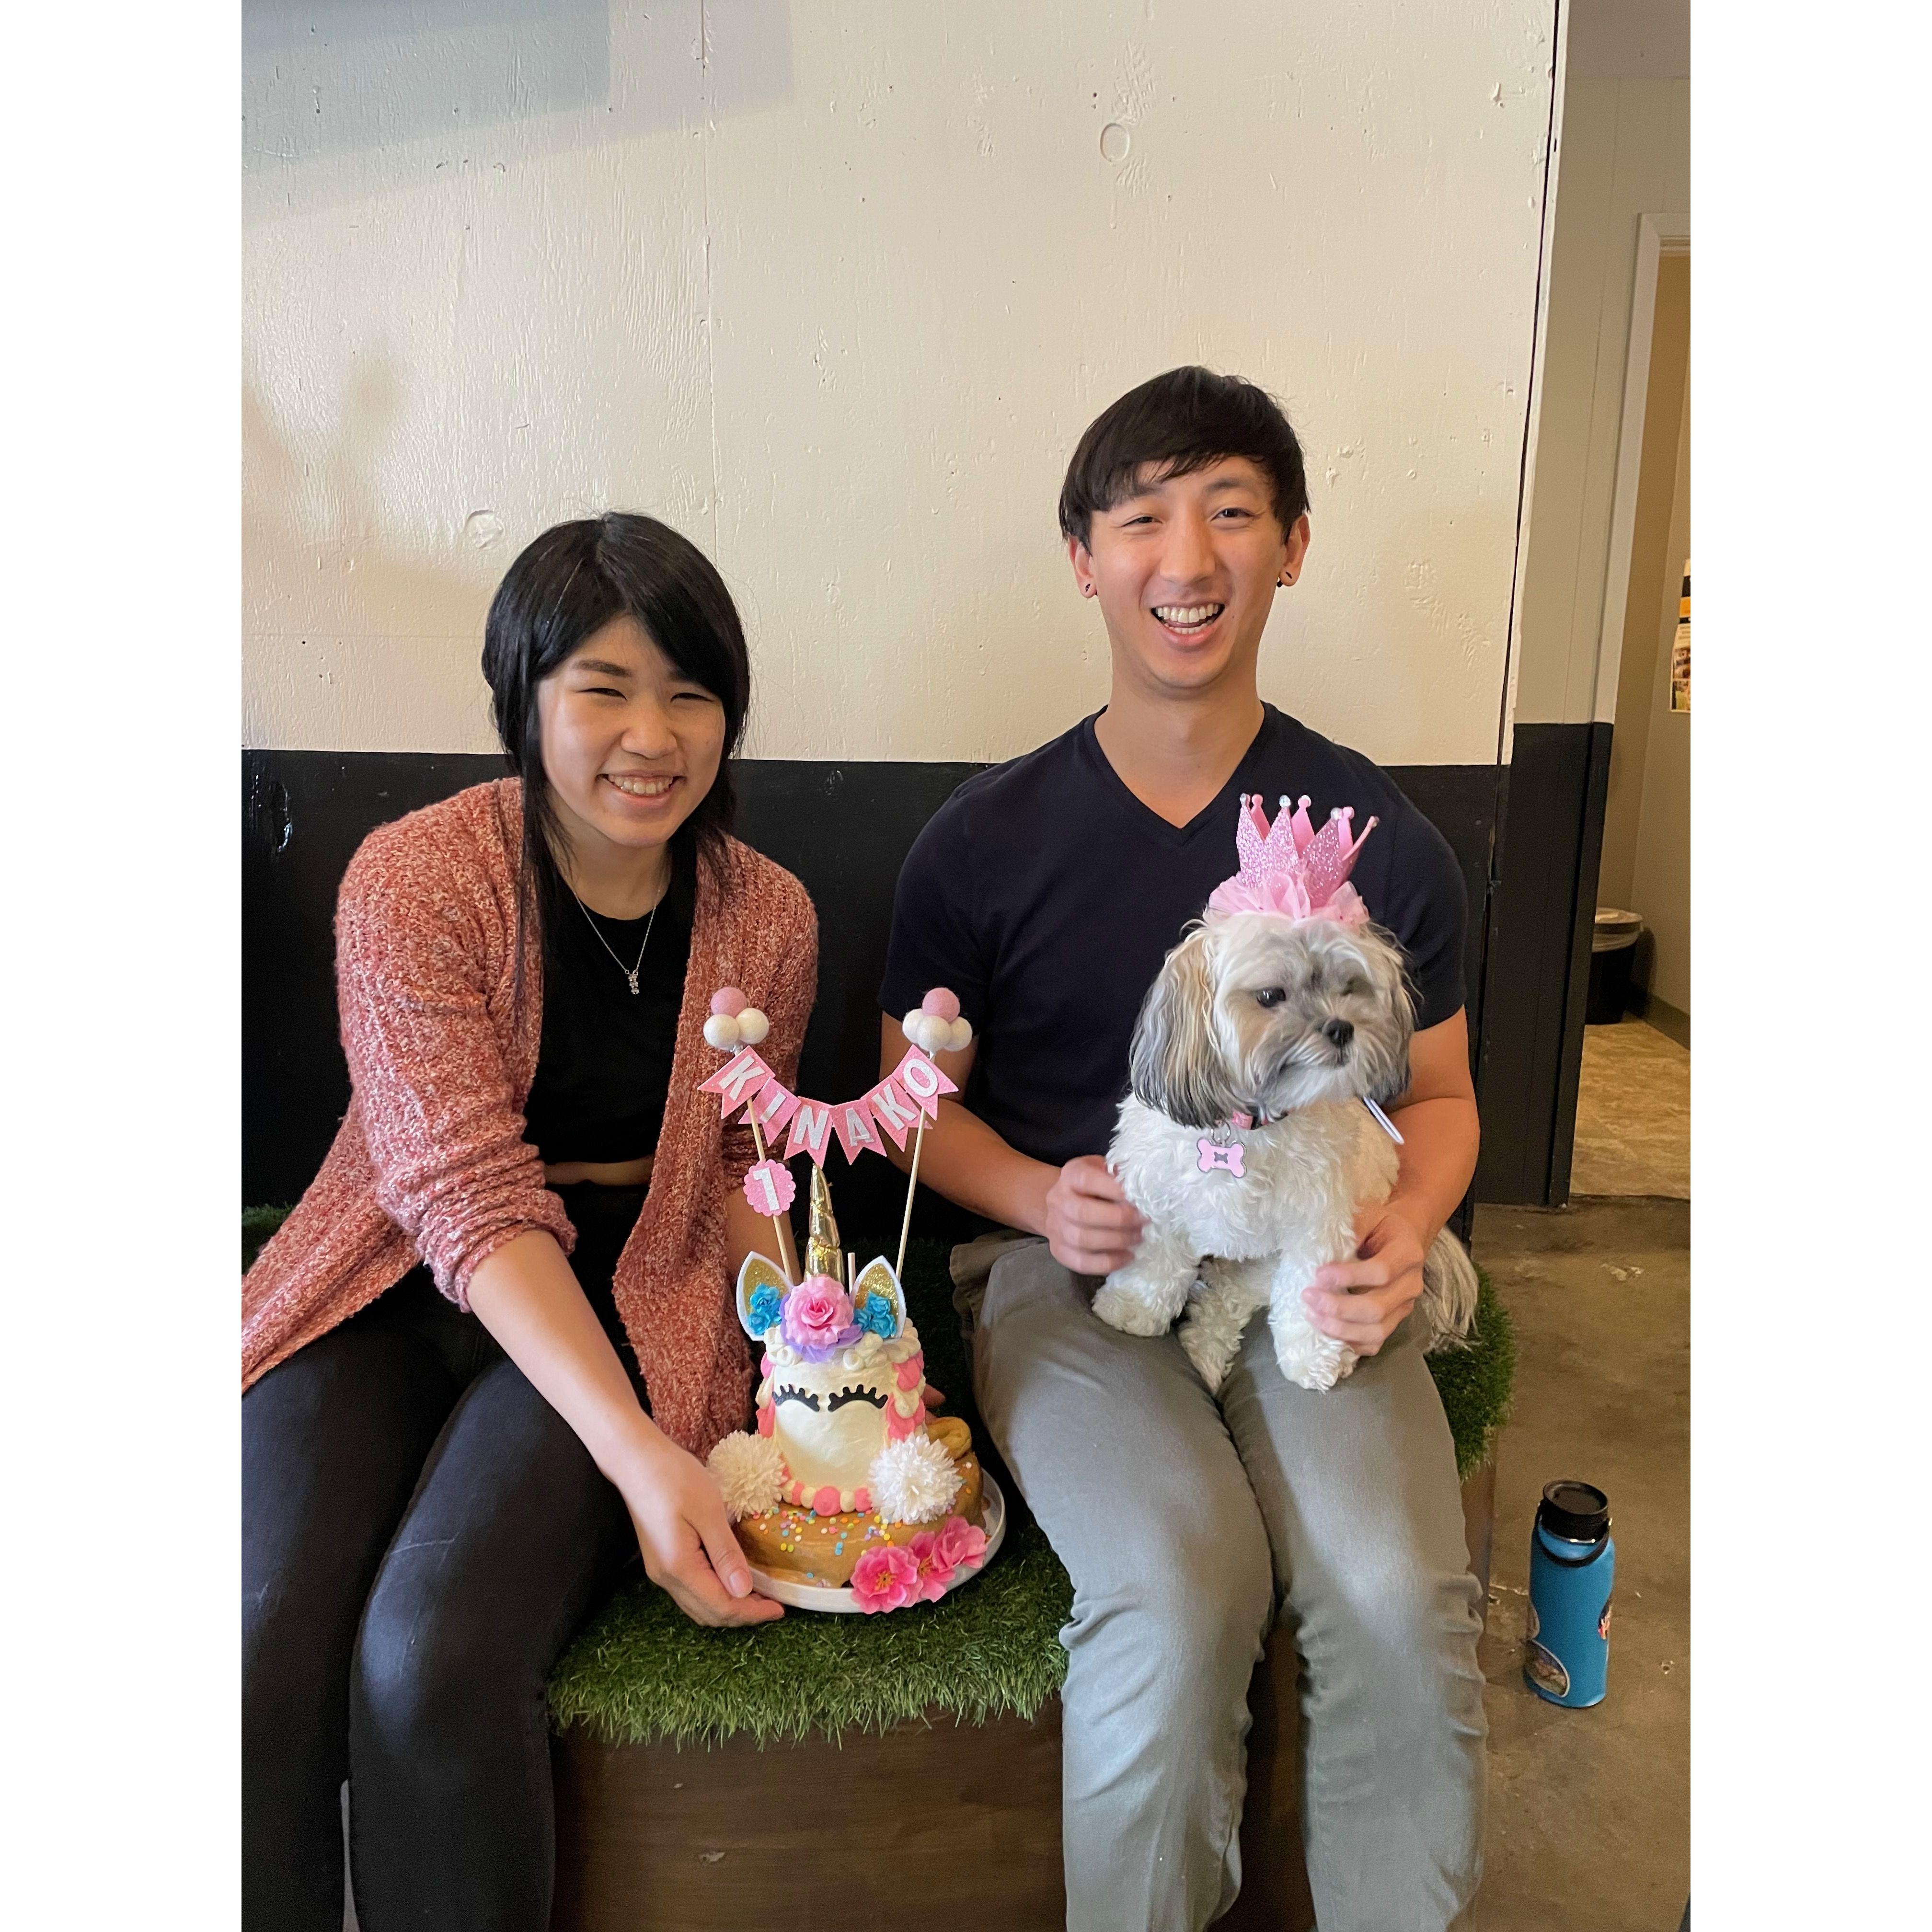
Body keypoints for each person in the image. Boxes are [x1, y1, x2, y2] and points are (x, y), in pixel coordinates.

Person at [878, 368, 1487, 1931]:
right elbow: (910, 1101)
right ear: (1083, 558)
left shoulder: (1382, 841)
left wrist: (1409, 1228)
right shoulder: (979, 844)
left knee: (1397, 1593)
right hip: (1067, 1270)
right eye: (1142, 518)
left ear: (1294, 545)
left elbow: (1439, 1100)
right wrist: (1039, 1197)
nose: (1189, 558)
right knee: (1175, 1583)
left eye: (1231, 512)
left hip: (1310, 1247)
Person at [242, 513, 812, 1932]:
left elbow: (746, 1160)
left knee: (429, 1658)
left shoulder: (769, 917)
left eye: (690, 693)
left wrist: (801, 1366)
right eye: (603, 690)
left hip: (632, 1284)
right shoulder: (415, 877)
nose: (652, 736)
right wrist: (636, 1453)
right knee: (253, 1643)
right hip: (396, 1270)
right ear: (524, 696)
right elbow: (462, 1193)